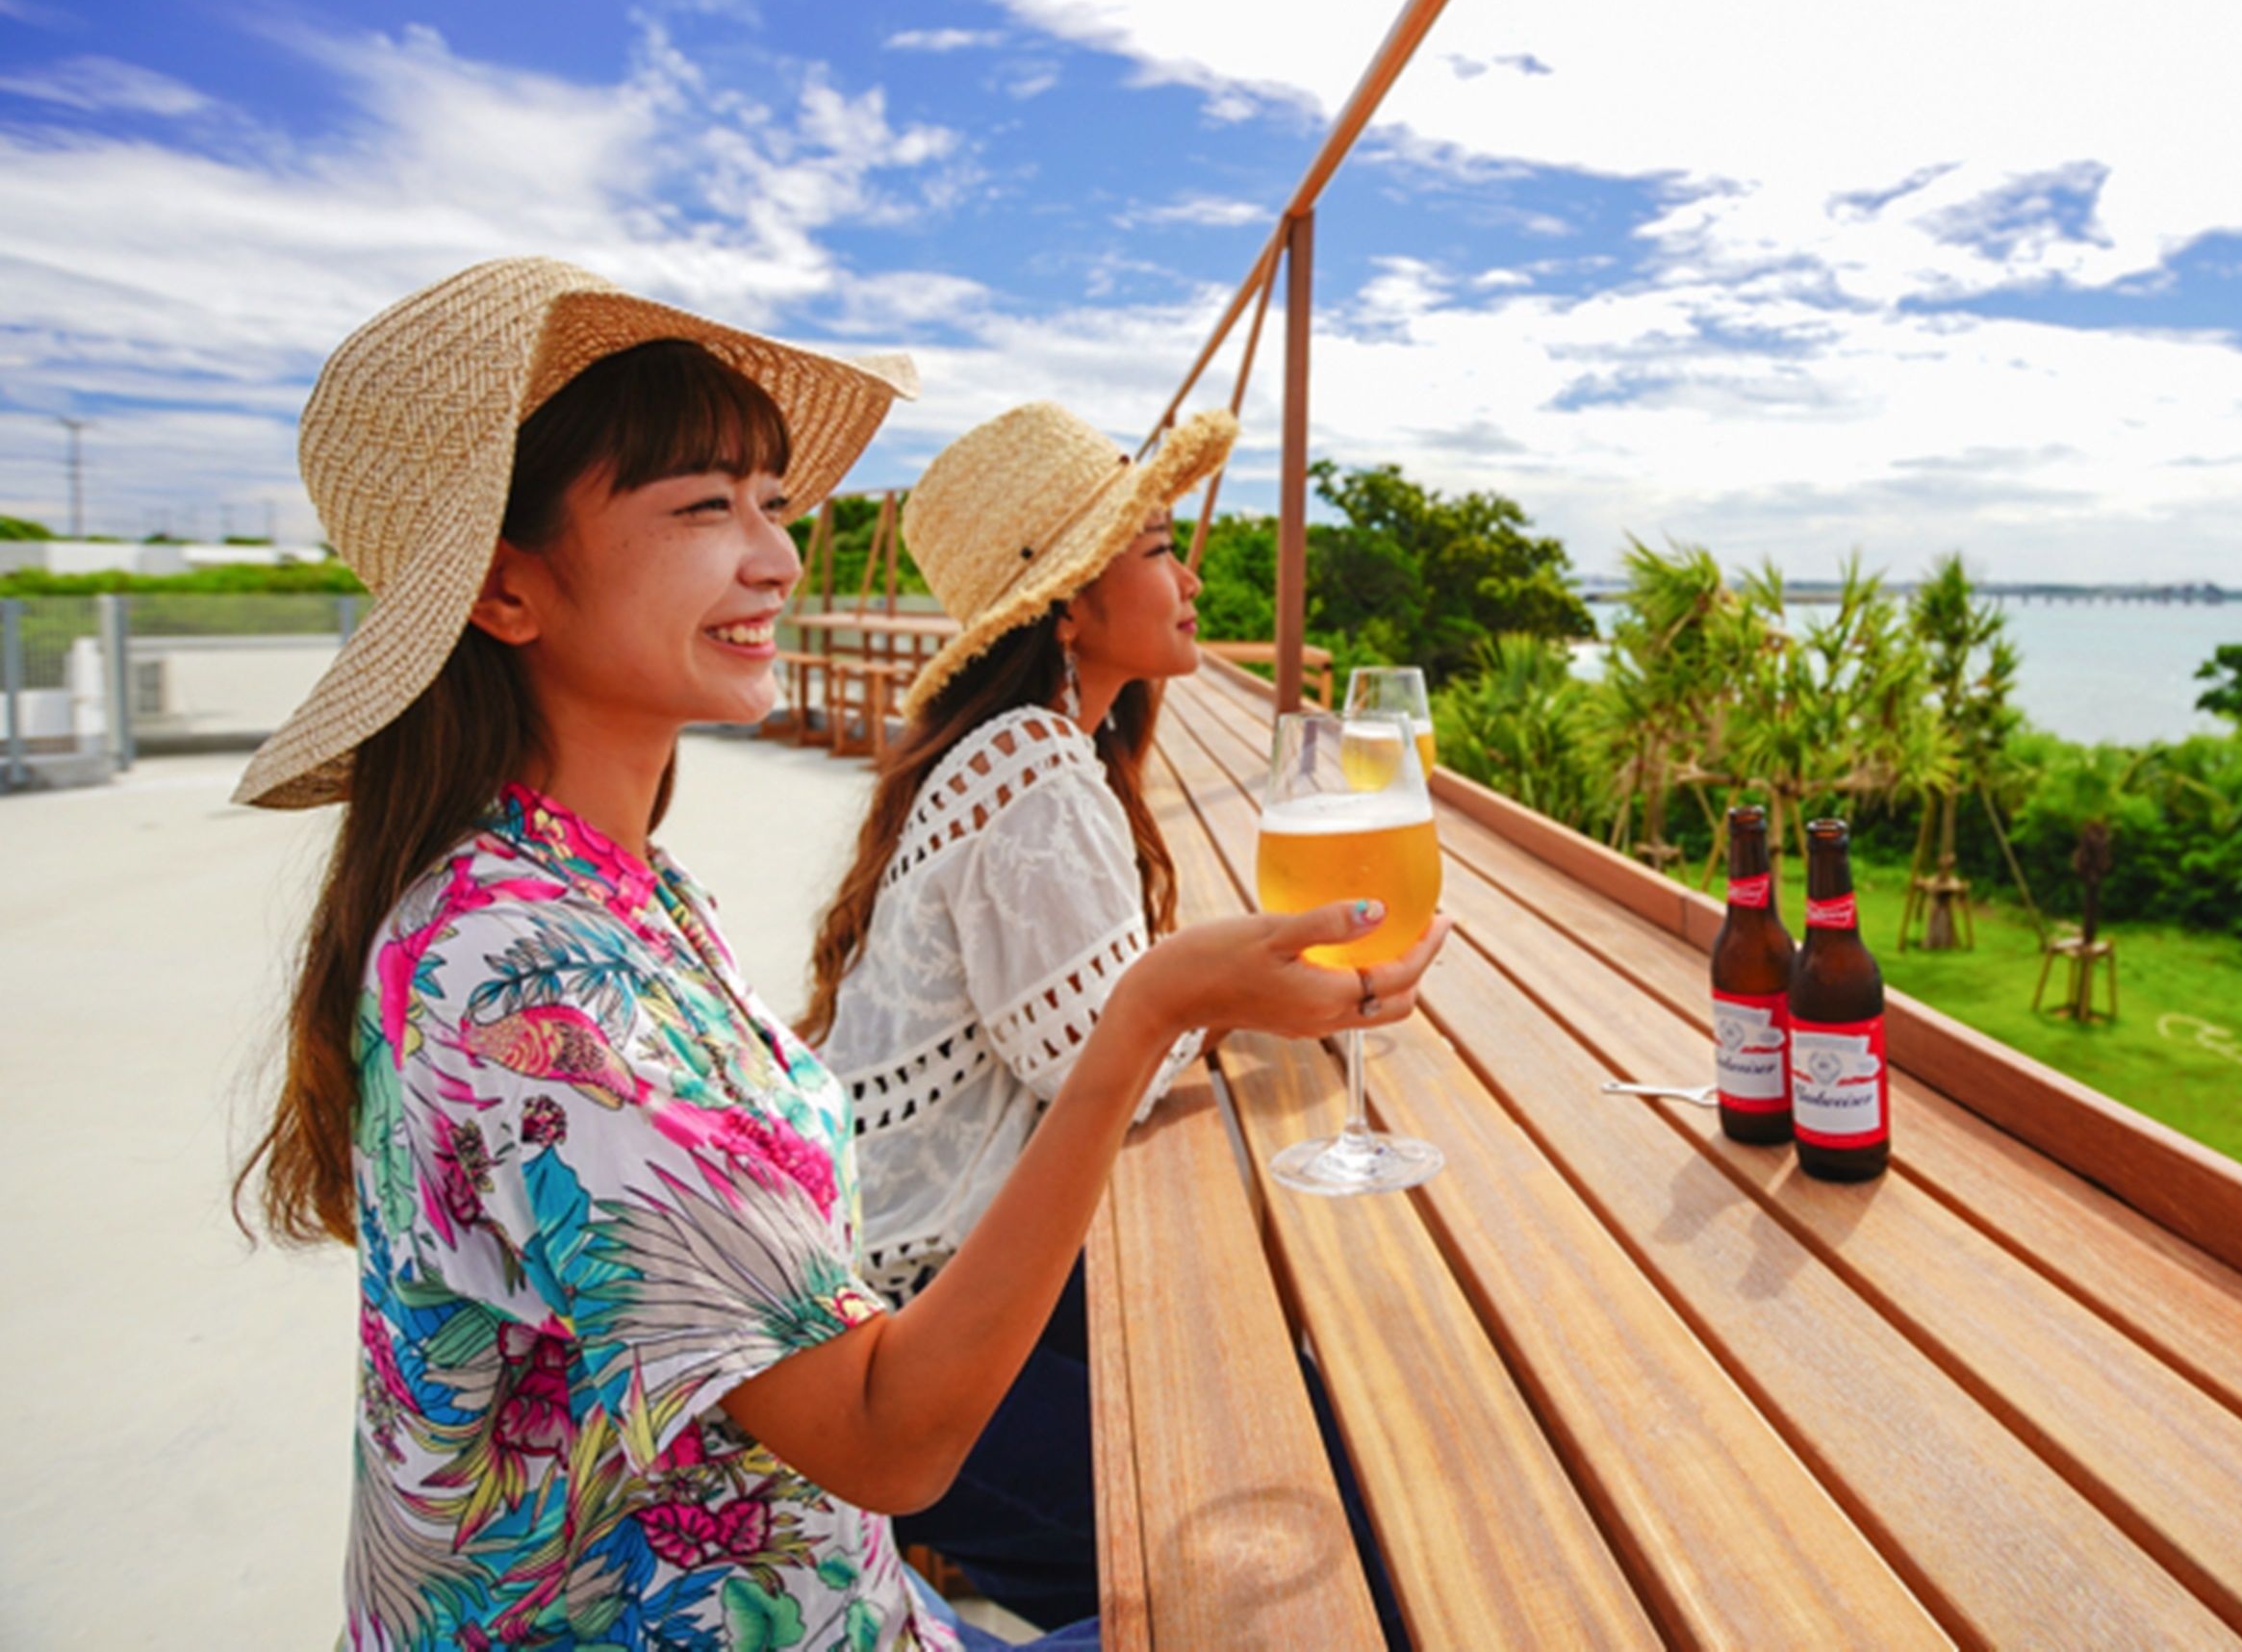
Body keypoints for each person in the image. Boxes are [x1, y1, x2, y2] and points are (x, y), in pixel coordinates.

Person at [231, 261, 1446, 1652]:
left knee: (1339, 1478)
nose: (777, 557)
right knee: (1388, 1561)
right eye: (703, 507)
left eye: (771, 503)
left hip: (833, 1588)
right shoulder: (527, 983)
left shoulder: (592, 882)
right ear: (506, 592)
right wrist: (1152, 1013)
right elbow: (887, 1438)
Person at [800, 399, 1236, 1629]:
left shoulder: (1023, 750)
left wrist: (1214, 1001)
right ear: (1069, 603)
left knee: (1243, 1407)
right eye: (1156, 548)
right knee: (1211, 1561)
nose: (1192, 573)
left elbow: (1097, 1030)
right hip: (905, 1337)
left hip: (905, 1293)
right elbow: (1102, 1064)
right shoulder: (1036, 768)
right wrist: (1228, 1000)